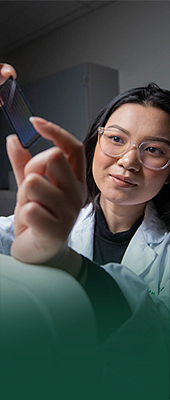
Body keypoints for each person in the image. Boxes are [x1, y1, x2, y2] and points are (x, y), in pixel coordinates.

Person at [0, 64, 170, 397]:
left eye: (153, 150)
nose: (128, 161)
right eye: (117, 139)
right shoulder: (39, 220)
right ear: (95, 142)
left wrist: (65, 262)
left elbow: (160, 350)